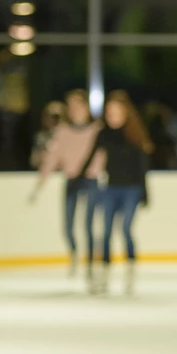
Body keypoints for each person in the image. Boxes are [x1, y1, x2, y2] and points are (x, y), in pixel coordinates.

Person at [85, 90, 153, 296]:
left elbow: (142, 167)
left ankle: (130, 272)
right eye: (109, 113)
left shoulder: (134, 134)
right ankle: (103, 275)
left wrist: (145, 192)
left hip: (131, 189)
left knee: (125, 229)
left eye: (116, 112)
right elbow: (90, 156)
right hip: (110, 187)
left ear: (125, 113)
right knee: (105, 231)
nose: (112, 116)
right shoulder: (104, 134)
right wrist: (78, 177)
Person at [29, 89, 101, 277]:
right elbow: (51, 159)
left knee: (88, 223)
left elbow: (104, 155)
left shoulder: (96, 130)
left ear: (86, 107)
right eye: (71, 106)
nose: (74, 109)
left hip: (90, 180)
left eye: (78, 105)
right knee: (68, 225)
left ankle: (91, 262)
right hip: (71, 180)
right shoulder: (62, 131)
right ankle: (74, 253)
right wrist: (40, 183)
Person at [30, 100, 66, 170]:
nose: (54, 120)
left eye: (57, 117)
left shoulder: (72, 136)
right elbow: (34, 161)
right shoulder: (40, 137)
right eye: (50, 116)